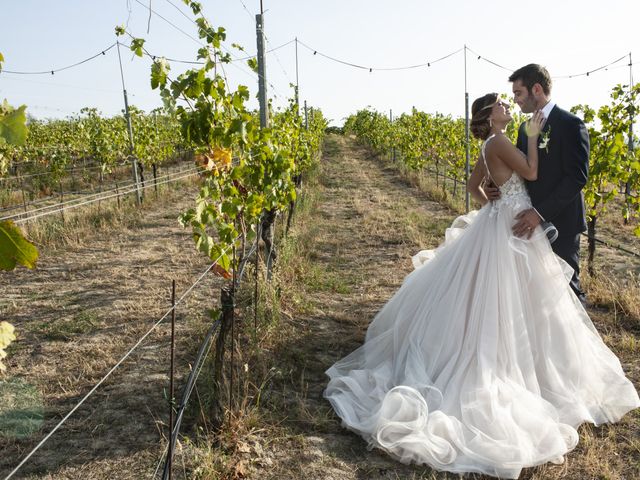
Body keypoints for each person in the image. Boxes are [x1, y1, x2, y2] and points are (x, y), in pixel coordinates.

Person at [323, 92, 640, 479]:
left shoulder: (491, 143)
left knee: (494, 298)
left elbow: (475, 186)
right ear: (490, 117)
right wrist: (534, 135)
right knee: (513, 303)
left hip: (497, 220)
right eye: (501, 105)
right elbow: (532, 173)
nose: (507, 107)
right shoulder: (501, 140)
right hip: (510, 228)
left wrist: (491, 195)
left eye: (509, 103)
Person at [485, 64, 589, 305]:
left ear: (537, 89)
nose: (515, 100)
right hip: (527, 224)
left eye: (518, 93)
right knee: (533, 294)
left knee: (567, 291)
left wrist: (540, 213)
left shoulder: (570, 124)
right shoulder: (524, 129)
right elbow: (520, 170)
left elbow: (577, 177)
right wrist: (495, 185)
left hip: (562, 222)